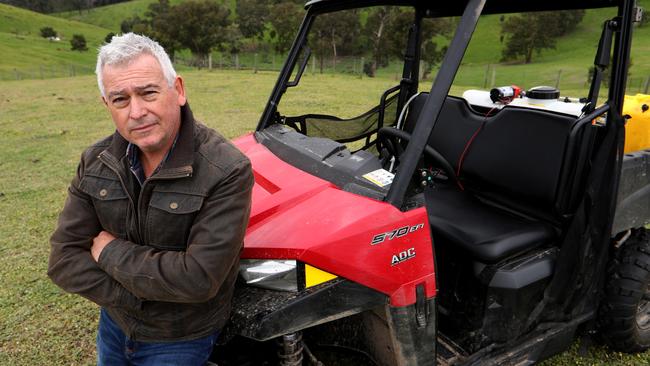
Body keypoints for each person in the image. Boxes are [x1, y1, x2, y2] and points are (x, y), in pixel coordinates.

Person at [48, 33, 253, 365]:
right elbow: (63, 260)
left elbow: (200, 278)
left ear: (179, 90)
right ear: (106, 105)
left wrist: (110, 251)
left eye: (148, 93)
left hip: (182, 337)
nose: (136, 112)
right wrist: (143, 297)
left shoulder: (226, 169)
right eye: (120, 99)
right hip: (115, 326)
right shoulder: (96, 161)